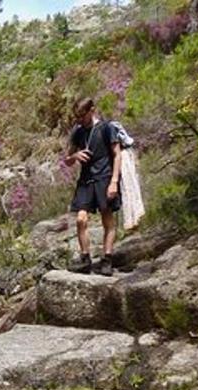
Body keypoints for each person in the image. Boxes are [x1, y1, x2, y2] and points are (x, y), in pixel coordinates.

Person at [64, 97, 122, 276]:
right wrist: (75, 156)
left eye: (82, 116)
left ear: (92, 111)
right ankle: (85, 258)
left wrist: (114, 182)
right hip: (86, 180)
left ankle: (107, 259)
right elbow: (67, 160)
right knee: (81, 219)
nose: (80, 119)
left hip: (105, 177)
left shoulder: (107, 128)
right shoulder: (78, 132)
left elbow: (117, 154)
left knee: (107, 218)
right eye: (77, 116)